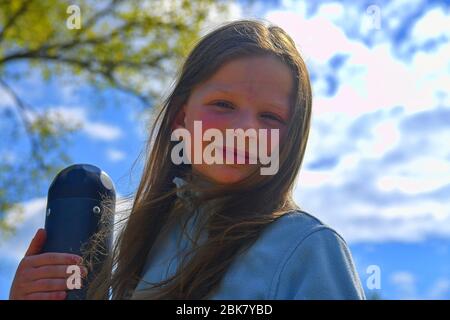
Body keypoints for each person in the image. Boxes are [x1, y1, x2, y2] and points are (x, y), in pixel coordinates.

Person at [10, 19, 365, 300]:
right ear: (181, 118)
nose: (245, 129)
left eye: (270, 117)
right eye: (223, 105)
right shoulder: (143, 246)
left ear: (290, 136)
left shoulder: (308, 247)